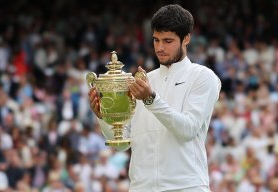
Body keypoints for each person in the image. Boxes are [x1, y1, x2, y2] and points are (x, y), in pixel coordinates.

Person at [88, 4, 221, 192]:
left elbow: (188, 129)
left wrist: (151, 99)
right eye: (156, 40)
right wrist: (103, 116)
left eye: (168, 41)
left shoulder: (203, 77)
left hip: (186, 187)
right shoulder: (144, 81)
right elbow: (122, 143)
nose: (160, 47)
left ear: (186, 39)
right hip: (140, 187)